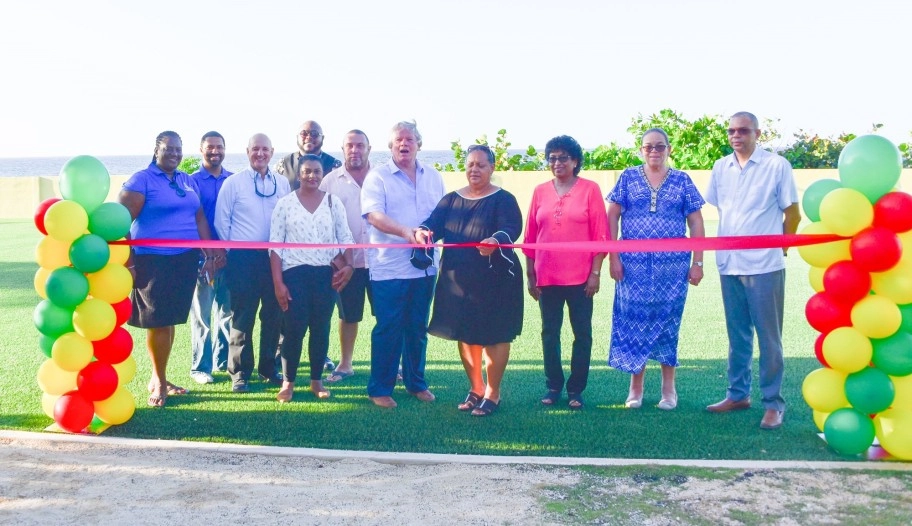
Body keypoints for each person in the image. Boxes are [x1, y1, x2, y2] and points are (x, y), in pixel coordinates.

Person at [705, 111, 801, 430]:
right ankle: (738, 395)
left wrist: (782, 248)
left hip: (765, 265)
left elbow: (793, 214)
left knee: (769, 339)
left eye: (743, 130)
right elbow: (721, 209)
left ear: (757, 134)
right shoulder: (720, 167)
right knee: (738, 335)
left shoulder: (777, 166)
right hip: (729, 264)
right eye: (731, 131)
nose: (736, 136)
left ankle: (773, 404)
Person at [416, 144, 523, 417]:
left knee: (495, 335)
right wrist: (423, 232)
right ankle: (476, 388)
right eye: (470, 164)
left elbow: (511, 228)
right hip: (457, 281)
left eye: (481, 165)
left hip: (496, 280)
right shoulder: (451, 199)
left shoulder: (504, 199)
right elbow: (432, 224)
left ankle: (493, 392)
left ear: (492, 167)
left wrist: (495, 241)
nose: (474, 169)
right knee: (465, 333)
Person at [118, 131, 222, 407]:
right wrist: (129, 262)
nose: (174, 154)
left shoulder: (186, 180)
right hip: (153, 262)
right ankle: (159, 382)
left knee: (170, 320)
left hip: (184, 260)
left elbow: (199, 218)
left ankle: (159, 377)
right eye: (169, 149)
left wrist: (209, 253)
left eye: (178, 149)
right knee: (159, 322)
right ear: (156, 151)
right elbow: (120, 223)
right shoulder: (141, 180)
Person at [606, 128, 706, 411]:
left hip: (672, 268)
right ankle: (635, 388)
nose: (654, 151)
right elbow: (612, 216)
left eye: (660, 146)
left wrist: (697, 262)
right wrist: (614, 257)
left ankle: (668, 389)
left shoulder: (682, 180)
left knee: (668, 323)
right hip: (632, 266)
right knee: (634, 321)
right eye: (648, 146)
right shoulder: (627, 177)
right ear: (641, 150)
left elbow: (696, 222)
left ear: (669, 150)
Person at [361, 121, 445, 408]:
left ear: (419, 144)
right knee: (388, 328)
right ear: (390, 145)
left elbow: (441, 216)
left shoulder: (433, 176)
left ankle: (416, 383)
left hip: (426, 267)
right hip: (389, 267)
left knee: (417, 328)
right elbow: (373, 216)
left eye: (409, 139)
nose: (403, 144)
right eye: (398, 140)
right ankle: (380, 388)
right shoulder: (378, 177)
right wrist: (407, 233)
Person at [523, 135, 607, 410]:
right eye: (552, 158)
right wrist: (530, 276)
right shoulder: (539, 192)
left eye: (563, 158)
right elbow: (530, 237)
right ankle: (553, 385)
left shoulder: (590, 189)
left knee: (582, 334)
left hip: (581, 278)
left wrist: (595, 273)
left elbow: (601, 235)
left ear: (575, 161)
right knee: (549, 333)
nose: (557, 163)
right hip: (546, 276)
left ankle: (576, 389)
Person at [269, 155, 355, 403]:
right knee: (294, 329)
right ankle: (288, 382)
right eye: (307, 171)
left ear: (322, 174)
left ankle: (316, 381)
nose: (312, 176)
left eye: (317, 171)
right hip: (294, 274)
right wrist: (278, 283)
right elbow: (275, 246)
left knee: (321, 328)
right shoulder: (285, 204)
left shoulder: (332, 202)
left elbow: (345, 237)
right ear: (299, 174)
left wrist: (349, 266)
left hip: (325, 275)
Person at [214, 133, 291, 393]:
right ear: (247, 152)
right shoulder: (233, 183)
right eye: (255, 149)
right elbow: (222, 222)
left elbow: (287, 218)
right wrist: (233, 253)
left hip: (274, 258)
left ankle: (268, 368)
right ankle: (239, 372)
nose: (260, 154)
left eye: (265, 149)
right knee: (242, 316)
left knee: (273, 315)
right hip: (243, 259)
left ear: (272, 152)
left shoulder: (282, 183)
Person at [320, 130, 373, 383]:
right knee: (348, 315)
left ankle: (391, 364)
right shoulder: (329, 182)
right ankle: (346, 363)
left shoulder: (382, 177)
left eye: (360, 145)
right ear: (342, 150)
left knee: (387, 316)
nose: (355, 150)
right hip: (346, 263)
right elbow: (321, 222)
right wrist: (338, 260)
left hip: (382, 261)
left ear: (369, 149)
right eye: (350, 146)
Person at [188, 131, 233, 384]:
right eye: (210, 147)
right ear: (201, 149)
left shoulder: (233, 180)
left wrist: (224, 252)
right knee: (202, 316)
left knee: (227, 314)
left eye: (219, 147)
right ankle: (200, 368)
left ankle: (223, 361)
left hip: (229, 258)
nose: (215, 151)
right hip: (202, 260)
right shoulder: (192, 182)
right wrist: (210, 255)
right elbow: (193, 221)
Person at [276, 120, 342, 190]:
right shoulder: (283, 165)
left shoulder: (335, 166)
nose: (309, 137)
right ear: (297, 137)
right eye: (303, 133)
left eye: (314, 134)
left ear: (322, 138)